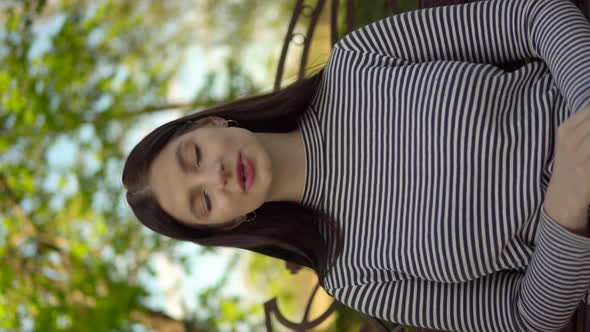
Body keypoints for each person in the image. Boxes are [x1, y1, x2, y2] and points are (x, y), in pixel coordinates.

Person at [122, 0, 590, 331]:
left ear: (210, 121)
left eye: (195, 156)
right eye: (203, 201)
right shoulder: (354, 277)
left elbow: (533, 19)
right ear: (228, 224)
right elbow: (523, 315)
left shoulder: (357, 60)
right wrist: (564, 214)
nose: (216, 177)